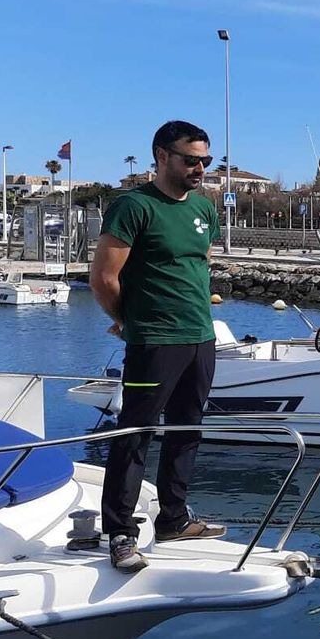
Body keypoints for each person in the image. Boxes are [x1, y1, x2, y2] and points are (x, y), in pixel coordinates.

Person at [90, 120, 227, 573]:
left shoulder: (205, 210)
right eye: (191, 160)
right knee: (136, 432)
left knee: (188, 428)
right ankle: (121, 533)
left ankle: (173, 519)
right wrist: (126, 321)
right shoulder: (133, 207)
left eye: (205, 161)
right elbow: (104, 278)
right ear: (162, 156)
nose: (200, 168)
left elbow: (198, 269)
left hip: (200, 337)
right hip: (155, 340)